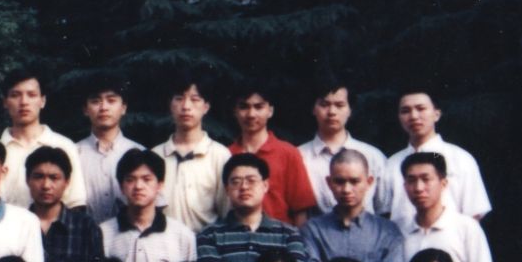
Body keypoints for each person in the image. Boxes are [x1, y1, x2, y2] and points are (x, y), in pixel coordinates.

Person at [299, 149, 410, 262]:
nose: (346, 189)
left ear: (369, 182)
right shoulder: (313, 230)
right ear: (329, 183)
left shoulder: (387, 231)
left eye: (354, 181)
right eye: (340, 181)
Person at [194, 152, 305, 262]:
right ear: (227, 189)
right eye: (236, 181)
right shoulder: (210, 235)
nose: (244, 187)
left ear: (265, 185)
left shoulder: (288, 234)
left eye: (251, 180)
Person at [100, 149, 196, 262]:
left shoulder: (182, 236)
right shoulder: (103, 233)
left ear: (160, 184)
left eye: (147, 179)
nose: (138, 186)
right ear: (121, 186)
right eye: (130, 179)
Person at [385, 89, 492, 232]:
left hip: (450, 241)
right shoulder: (392, 163)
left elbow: (474, 212)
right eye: (405, 111)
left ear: (436, 114)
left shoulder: (460, 158)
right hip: (401, 241)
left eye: (421, 108)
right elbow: (383, 211)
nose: (414, 116)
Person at [27, 145, 103, 262]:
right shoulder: (17, 225)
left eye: (54, 178)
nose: (46, 185)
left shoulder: (85, 227)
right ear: (27, 180)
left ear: (67, 182)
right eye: (39, 176)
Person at [224, 83, 318, 227]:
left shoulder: (288, 153)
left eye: (258, 107)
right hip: (235, 236)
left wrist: (298, 240)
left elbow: (300, 209)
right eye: (244, 107)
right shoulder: (225, 154)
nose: (251, 114)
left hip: (281, 237)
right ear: (235, 111)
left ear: (270, 111)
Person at [299, 81, 392, 220]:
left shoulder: (373, 156)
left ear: (350, 110)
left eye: (339, 105)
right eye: (324, 105)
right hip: (317, 232)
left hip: (367, 232)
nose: (332, 112)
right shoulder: (299, 156)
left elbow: (385, 210)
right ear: (313, 109)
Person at [0, 70, 89, 210]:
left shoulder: (64, 145)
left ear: (42, 101)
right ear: (5, 102)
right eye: (15, 95)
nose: (24, 102)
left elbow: (75, 202)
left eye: (31, 95)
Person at [154, 76, 228, 232]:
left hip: (207, 243)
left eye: (195, 99)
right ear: (170, 105)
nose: (186, 106)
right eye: (179, 99)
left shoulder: (220, 155)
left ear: (206, 107)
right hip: (164, 243)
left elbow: (227, 211)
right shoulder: (155, 155)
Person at [74, 72, 143, 226]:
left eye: (111, 100)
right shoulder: (73, 153)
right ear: (85, 109)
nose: (104, 107)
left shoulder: (140, 153)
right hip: (84, 237)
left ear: (123, 107)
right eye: (95, 101)